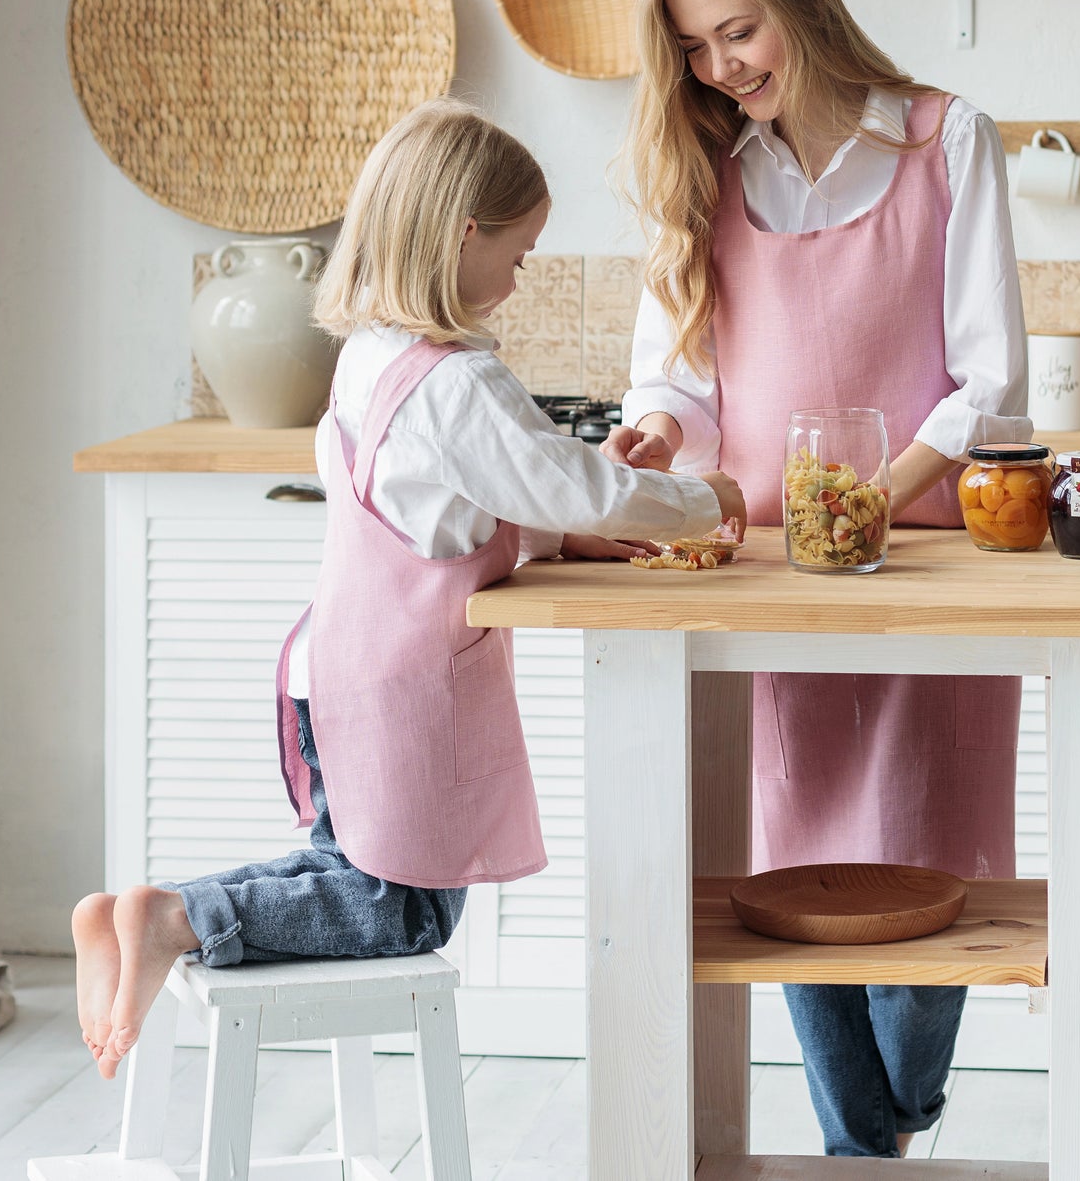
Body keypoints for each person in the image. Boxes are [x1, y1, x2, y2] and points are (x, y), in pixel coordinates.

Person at [72, 98, 746, 1081]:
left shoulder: (369, 359)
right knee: (406, 904)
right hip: (401, 685)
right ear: (463, 232)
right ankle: (179, 916)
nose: (520, 278)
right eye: (517, 252)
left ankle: (144, 909)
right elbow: (559, 481)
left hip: (332, 666)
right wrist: (698, 499)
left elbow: (458, 502)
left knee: (350, 870)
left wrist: (571, 524)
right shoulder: (456, 379)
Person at [601, 0, 1032, 1159]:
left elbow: (986, 380)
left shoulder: (947, 141)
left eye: (737, 30)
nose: (722, 66)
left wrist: (869, 498)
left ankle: (888, 1115)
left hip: (924, 561)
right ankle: (864, 1148)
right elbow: (676, 382)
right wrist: (652, 441)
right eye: (694, 48)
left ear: (802, 1)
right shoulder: (708, 175)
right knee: (787, 863)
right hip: (761, 573)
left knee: (932, 847)